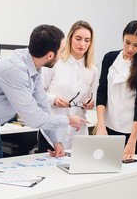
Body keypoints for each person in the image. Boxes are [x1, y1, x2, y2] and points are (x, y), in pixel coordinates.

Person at [0, 24, 89, 163]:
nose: (61, 56)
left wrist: (56, 142)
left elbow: (43, 107)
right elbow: (34, 119)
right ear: (50, 55)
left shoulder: (34, 68)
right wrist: (68, 120)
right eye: (61, 51)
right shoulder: (16, 70)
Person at [95, 20, 137, 161]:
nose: (130, 48)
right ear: (123, 37)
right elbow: (102, 91)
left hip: (134, 132)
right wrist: (101, 125)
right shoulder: (110, 58)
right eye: (127, 42)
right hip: (108, 128)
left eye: (136, 45)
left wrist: (132, 141)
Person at [38, 20, 97, 152]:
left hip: (78, 134)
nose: (82, 44)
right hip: (53, 133)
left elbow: (90, 97)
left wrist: (90, 103)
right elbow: (38, 93)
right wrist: (54, 99)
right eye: (78, 38)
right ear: (70, 39)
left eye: (87, 40)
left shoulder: (92, 70)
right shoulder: (54, 62)